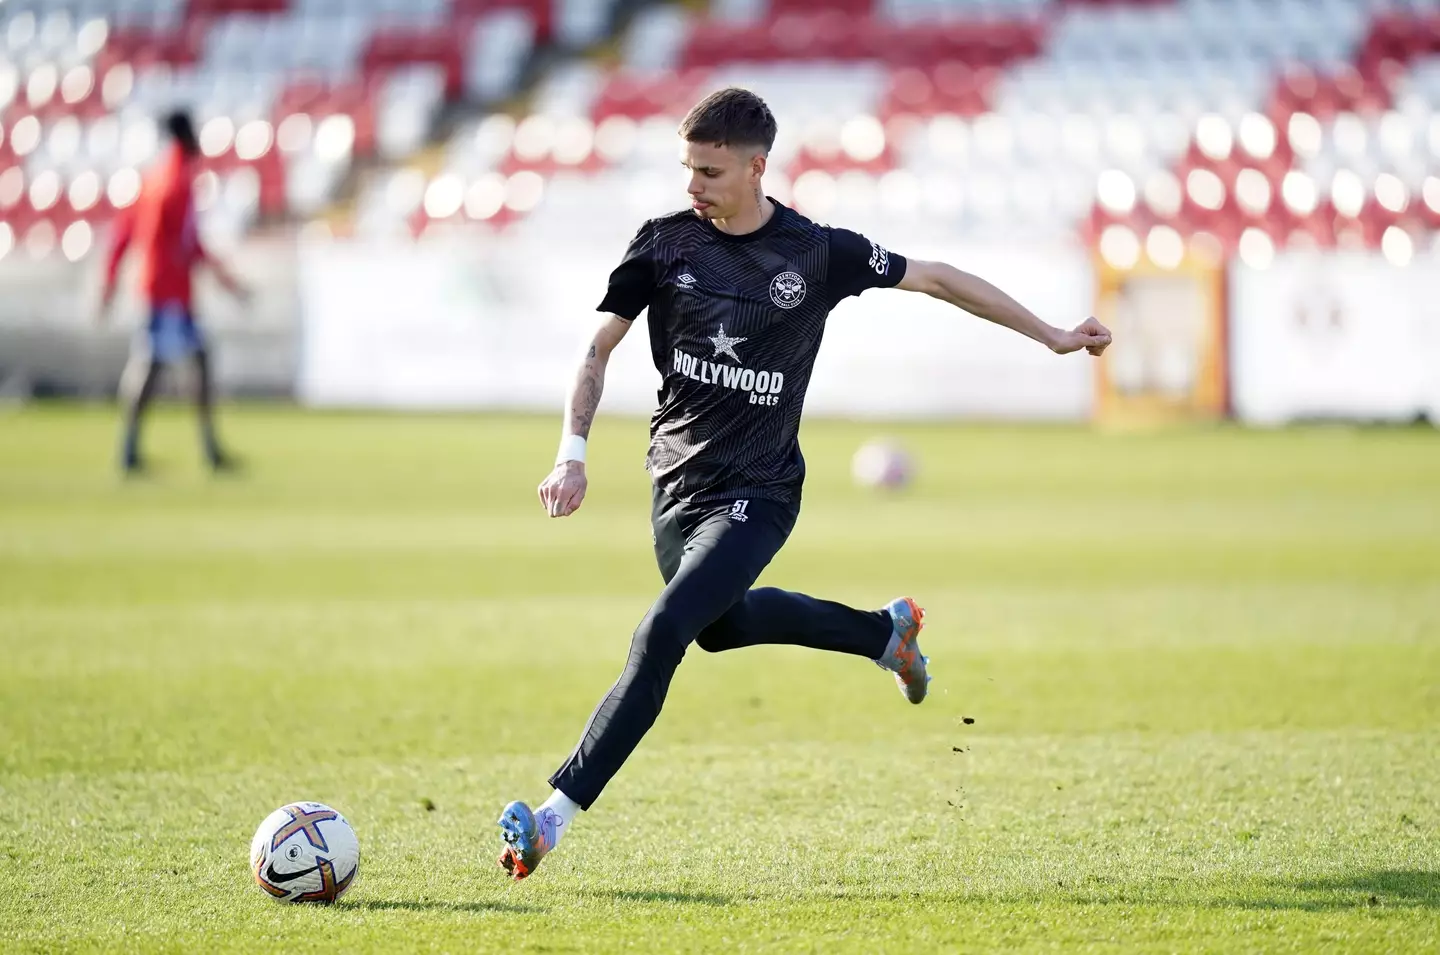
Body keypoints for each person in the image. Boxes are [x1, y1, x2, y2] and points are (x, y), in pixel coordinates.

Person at [497, 88, 1113, 880]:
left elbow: (937, 278)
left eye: (710, 172)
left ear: (757, 167)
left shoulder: (817, 253)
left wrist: (1053, 335)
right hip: (675, 488)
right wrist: (571, 452)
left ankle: (552, 818)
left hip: (760, 493)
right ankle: (885, 634)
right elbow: (597, 348)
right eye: (687, 168)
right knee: (719, 627)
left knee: (662, 632)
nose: (692, 185)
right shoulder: (663, 243)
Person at [99, 109, 250, 475]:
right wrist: (226, 281)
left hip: (161, 289)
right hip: (169, 294)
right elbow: (185, 244)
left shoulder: (155, 179)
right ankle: (141, 449)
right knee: (157, 365)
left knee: (181, 361)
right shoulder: (177, 183)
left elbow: (125, 233)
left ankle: (176, 447)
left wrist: (112, 278)